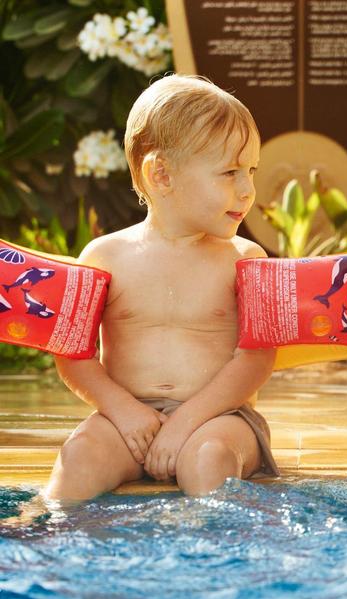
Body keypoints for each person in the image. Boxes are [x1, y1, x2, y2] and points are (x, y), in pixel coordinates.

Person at [45, 75, 278, 500]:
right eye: (229, 172)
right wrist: (123, 410)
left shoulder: (246, 260)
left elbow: (256, 361)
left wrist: (187, 422)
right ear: (161, 175)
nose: (248, 190)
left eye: (251, 171)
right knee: (79, 456)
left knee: (209, 459)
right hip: (126, 418)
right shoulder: (103, 257)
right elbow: (72, 354)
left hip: (220, 417)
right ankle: (45, 545)